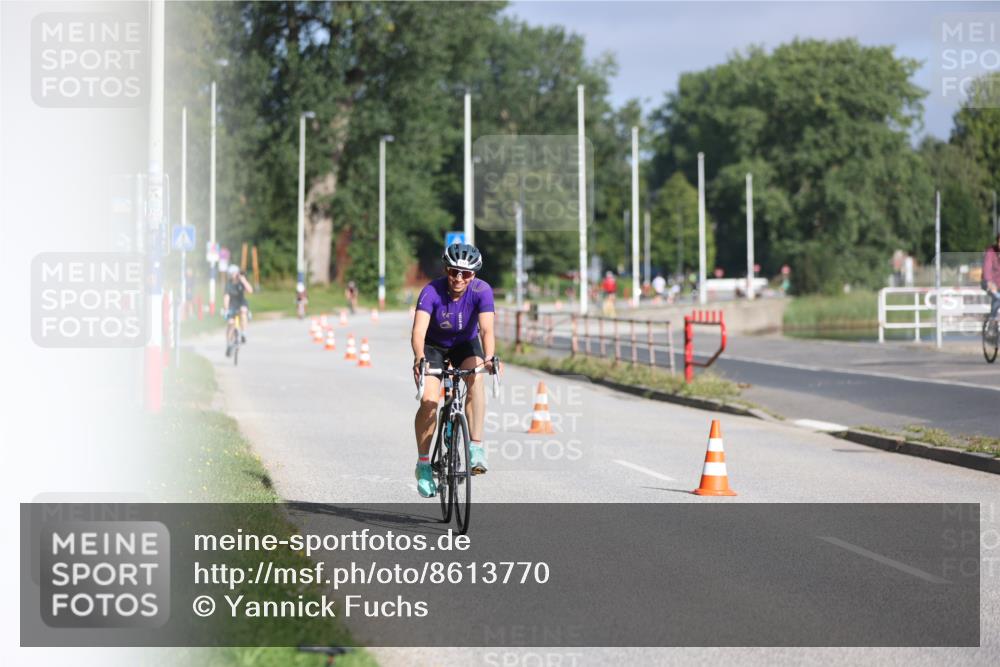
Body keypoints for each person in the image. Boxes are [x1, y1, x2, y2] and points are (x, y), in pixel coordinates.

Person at [410, 243, 499, 498]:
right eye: (453, 272)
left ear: (474, 275)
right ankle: (424, 464)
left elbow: (486, 331)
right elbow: (418, 332)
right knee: (428, 401)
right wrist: (419, 358)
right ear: (446, 270)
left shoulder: (483, 291)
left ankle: (477, 448)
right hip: (433, 346)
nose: (459, 278)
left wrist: (489, 357)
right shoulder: (431, 292)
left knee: (476, 377)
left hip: (465, 345)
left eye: (466, 274)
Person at [223, 264, 253, 356]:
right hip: (232, 304)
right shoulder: (228, 285)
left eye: (235, 273)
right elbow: (226, 298)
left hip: (241, 303)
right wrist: (226, 309)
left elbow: (250, 290)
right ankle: (229, 344)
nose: (233, 275)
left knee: (243, 311)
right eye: (231, 274)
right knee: (231, 323)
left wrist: (244, 280)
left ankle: (243, 333)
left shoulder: (241, 282)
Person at [983, 233, 1000, 321]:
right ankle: (992, 320)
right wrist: (989, 282)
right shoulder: (991, 252)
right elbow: (987, 268)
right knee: (997, 298)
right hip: (990, 283)